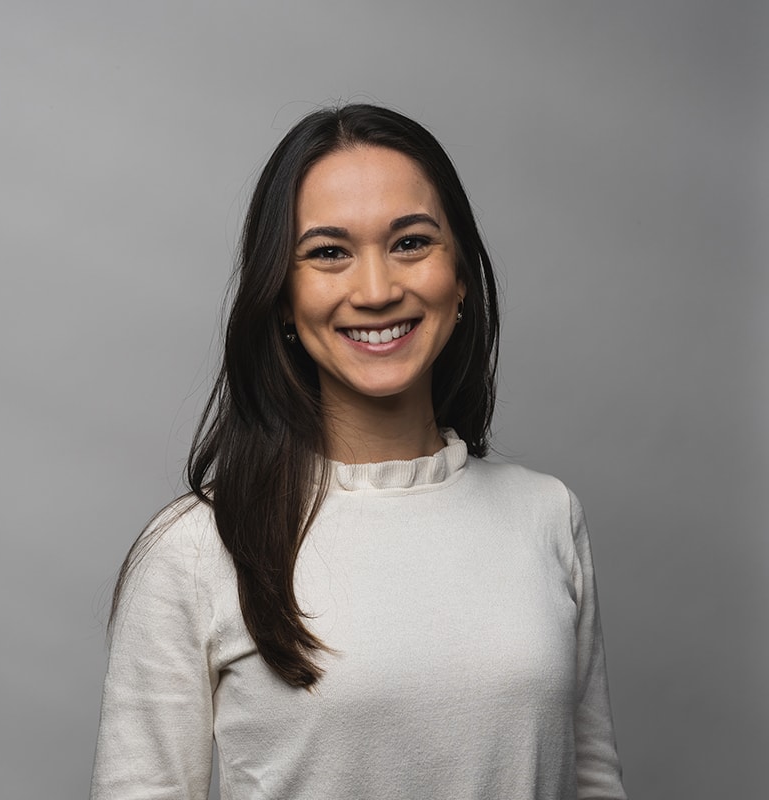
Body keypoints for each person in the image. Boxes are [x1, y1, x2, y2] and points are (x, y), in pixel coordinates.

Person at [91, 104, 627, 799]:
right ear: (282, 296)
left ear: (459, 276)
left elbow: (592, 782)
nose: (376, 291)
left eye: (410, 243)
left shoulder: (547, 514)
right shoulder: (194, 552)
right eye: (328, 252)